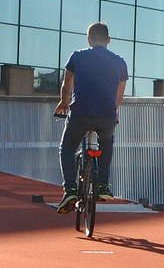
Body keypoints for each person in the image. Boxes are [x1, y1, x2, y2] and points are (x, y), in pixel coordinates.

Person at [55, 22, 130, 213]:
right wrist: (113, 111)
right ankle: (104, 185)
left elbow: (66, 86)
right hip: (107, 115)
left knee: (67, 148)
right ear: (109, 40)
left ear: (89, 39)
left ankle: (70, 189)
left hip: (80, 113)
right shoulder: (120, 62)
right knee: (106, 142)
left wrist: (64, 103)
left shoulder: (77, 56)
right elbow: (119, 97)